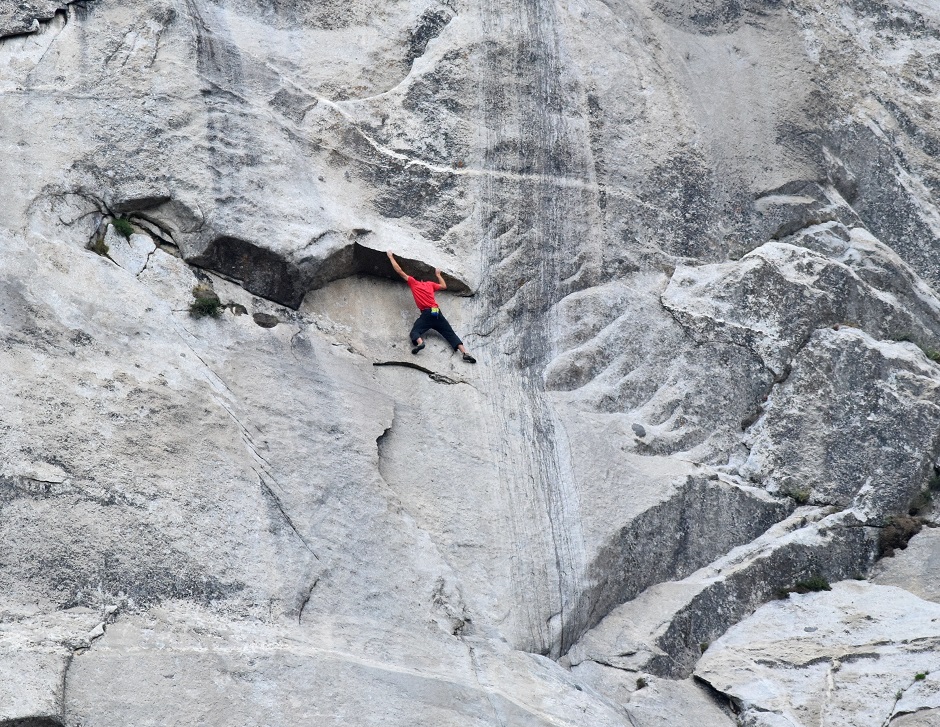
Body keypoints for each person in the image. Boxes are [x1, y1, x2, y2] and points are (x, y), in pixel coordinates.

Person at [386, 250, 476, 363]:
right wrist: (438, 275)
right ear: (424, 280)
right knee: (450, 333)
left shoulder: (414, 283)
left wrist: (390, 257)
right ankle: (465, 353)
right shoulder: (430, 284)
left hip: (427, 313)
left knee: (415, 331)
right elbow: (444, 286)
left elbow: (400, 271)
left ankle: (420, 343)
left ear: (416, 279)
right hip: (436, 312)